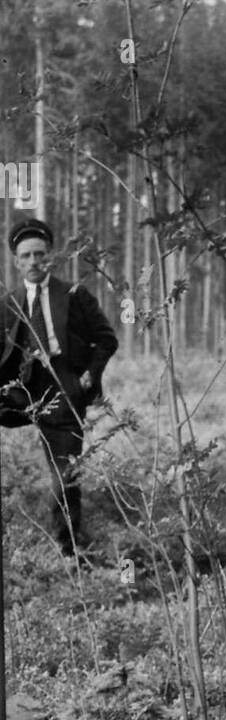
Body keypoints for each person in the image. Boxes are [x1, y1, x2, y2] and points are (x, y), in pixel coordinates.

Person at [0, 218, 118, 556]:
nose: (34, 262)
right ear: (16, 260)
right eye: (26, 256)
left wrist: (90, 375)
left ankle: (68, 546)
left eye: (39, 254)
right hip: (22, 389)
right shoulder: (8, 302)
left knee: (65, 471)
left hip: (64, 386)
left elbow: (107, 340)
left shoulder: (74, 294)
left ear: (50, 257)